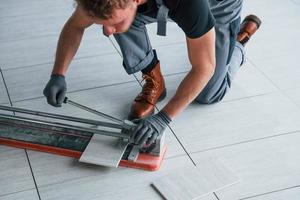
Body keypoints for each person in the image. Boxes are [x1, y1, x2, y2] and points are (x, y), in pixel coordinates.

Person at [43, 0, 261, 148]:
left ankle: (239, 44)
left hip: (218, 4)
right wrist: (58, 74)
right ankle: (154, 80)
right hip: (162, 5)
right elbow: (75, 26)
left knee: (208, 94)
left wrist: (163, 118)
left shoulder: (189, 3)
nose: (107, 31)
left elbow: (204, 67)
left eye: (113, 22)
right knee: (124, 25)